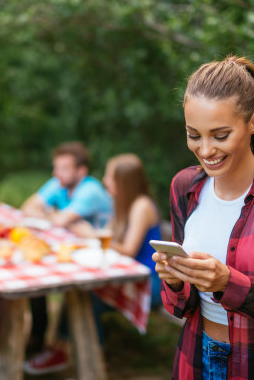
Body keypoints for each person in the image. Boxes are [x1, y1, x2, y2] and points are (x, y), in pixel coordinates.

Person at [152, 56, 254, 380]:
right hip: (195, 358)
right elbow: (180, 308)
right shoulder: (184, 186)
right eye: (193, 135)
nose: (205, 150)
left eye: (220, 135)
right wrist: (174, 279)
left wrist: (227, 283)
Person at [21, 141, 112, 374]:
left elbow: (60, 221)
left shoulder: (90, 189)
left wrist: (51, 214)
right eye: (56, 167)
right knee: (33, 277)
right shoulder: (59, 183)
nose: (56, 173)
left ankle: (80, 355)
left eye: (63, 168)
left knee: (78, 293)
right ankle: (40, 340)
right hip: (78, 257)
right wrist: (55, 215)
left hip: (104, 264)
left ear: (81, 171)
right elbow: (27, 207)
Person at [90, 153, 163, 343]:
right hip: (129, 275)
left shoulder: (141, 206)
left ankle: (92, 357)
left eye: (109, 176)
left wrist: (92, 236)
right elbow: (109, 235)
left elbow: (128, 250)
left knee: (88, 298)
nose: (105, 181)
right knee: (81, 294)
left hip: (150, 281)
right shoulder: (122, 202)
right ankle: (63, 348)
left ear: (124, 181)